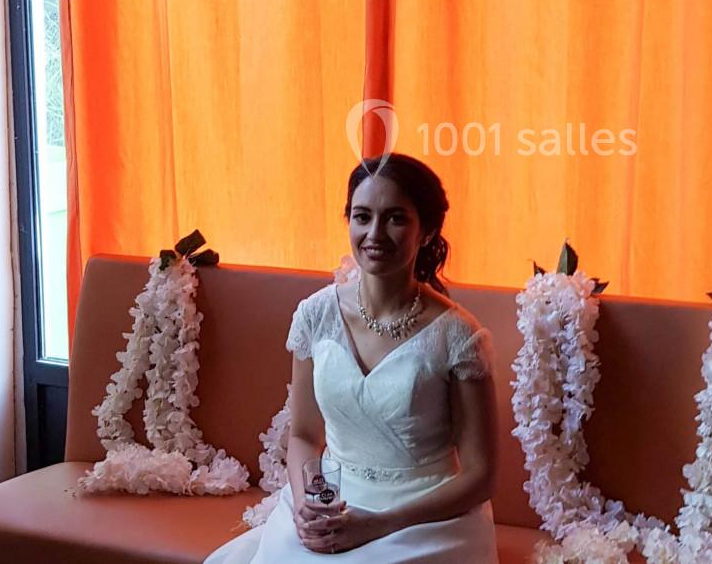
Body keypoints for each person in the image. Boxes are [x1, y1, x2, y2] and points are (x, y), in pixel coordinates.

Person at [204, 154, 500, 563]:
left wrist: (377, 524)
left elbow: (480, 476)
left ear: (427, 231)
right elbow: (303, 435)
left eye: (395, 218)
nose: (374, 233)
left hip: (425, 518)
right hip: (335, 498)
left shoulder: (458, 336)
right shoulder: (315, 315)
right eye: (362, 217)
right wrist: (311, 503)